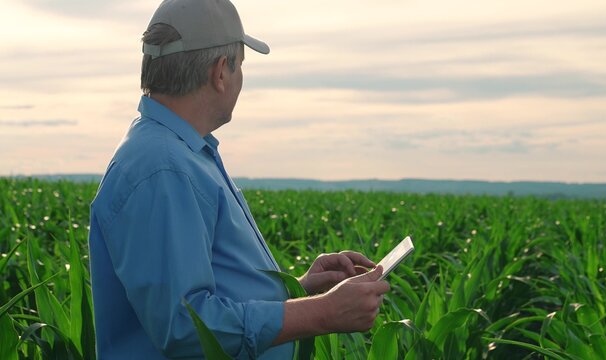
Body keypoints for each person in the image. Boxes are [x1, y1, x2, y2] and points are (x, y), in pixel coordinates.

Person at [88, 0, 390, 358]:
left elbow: (209, 292)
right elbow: (186, 326)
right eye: (240, 66)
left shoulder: (181, 153)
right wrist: (322, 312)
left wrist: (300, 291)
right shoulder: (163, 168)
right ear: (220, 73)